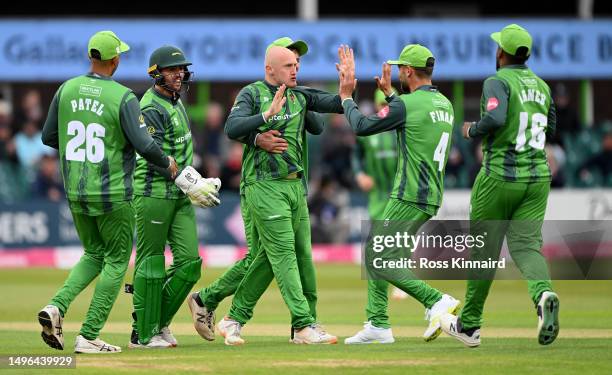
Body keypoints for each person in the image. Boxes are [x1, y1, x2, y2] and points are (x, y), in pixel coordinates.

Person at [38, 30, 178, 354]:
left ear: (92, 57)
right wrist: (169, 164)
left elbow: (48, 136)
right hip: (114, 193)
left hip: (76, 190)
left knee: (93, 254)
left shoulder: (66, 89)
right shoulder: (123, 96)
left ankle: (57, 305)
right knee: (116, 260)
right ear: (115, 60)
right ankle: (88, 334)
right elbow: (145, 145)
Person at [188, 37, 327, 344]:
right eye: (290, 61)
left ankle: (216, 306)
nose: (296, 66)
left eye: (298, 62)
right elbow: (232, 127)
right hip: (261, 184)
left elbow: (317, 127)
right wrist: (256, 137)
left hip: (293, 185)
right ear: (273, 64)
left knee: (265, 257)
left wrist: (302, 99)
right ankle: (300, 323)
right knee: (276, 255)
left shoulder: (296, 94)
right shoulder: (252, 92)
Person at [440, 24, 559, 347]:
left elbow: (494, 119)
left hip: (499, 176)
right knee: (526, 246)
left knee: (484, 251)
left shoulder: (497, 81)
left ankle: (470, 325)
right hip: (537, 177)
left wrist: (471, 130)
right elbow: (552, 125)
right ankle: (543, 294)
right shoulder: (543, 86)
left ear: (502, 52)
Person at [336, 44, 460, 344]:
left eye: (400, 68)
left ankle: (435, 301)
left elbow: (362, 126)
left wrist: (346, 97)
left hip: (409, 193)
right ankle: (377, 324)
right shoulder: (444, 103)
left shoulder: (407, 104)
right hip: (429, 194)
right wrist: (392, 96)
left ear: (407, 71)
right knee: (379, 253)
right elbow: (415, 123)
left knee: (377, 256)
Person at [128, 45, 221, 349]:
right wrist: (185, 178)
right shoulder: (151, 105)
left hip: (179, 193)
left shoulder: (176, 100)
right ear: (156, 73)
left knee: (190, 264)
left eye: (181, 68)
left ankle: (157, 322)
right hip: (153, 192)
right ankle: (143, 333)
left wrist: (194, 180)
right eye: (171, 69)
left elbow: (178, 152)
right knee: (151, 265)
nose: (179, 73)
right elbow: (152, 153)